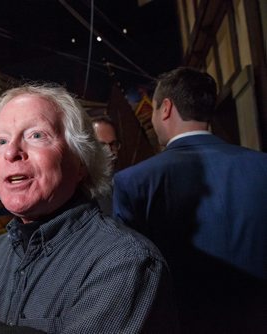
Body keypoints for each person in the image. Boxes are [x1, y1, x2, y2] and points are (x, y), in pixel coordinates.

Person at [0, 83, 178, 333]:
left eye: (36, 135)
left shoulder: (125, 262)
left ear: (81, 161)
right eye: (2, 141)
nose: (11, 152)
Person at [113, 67, 267, 333]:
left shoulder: (133, 181)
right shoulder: (262, 166)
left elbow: (131, 273)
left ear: (166, 108)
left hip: (182, 323)